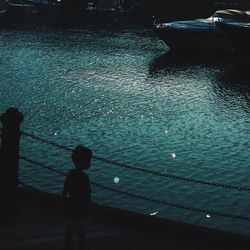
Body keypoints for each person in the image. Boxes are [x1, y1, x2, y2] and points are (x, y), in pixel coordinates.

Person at [63, 145, 92, 250]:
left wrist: (64, 203)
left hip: (70, 207)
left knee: (69, 229)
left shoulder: (70, 174)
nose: (90, 163)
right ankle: (81, 245)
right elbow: (87, 195)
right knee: (81, 231)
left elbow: (65, 190)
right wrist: (88, 209)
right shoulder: (85, 178)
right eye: (88, 160)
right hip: (82, 210)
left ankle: (68, 245)